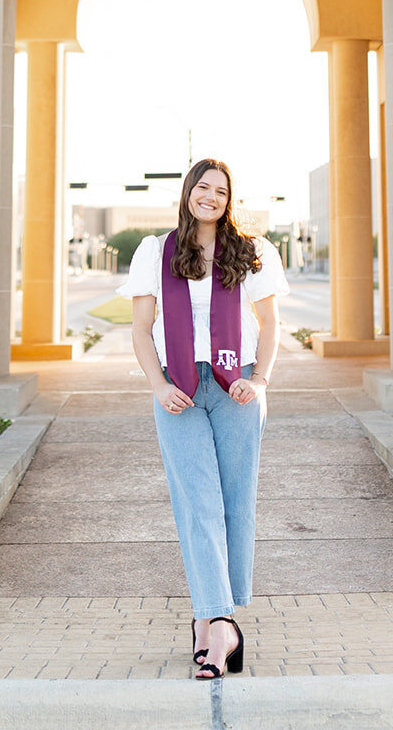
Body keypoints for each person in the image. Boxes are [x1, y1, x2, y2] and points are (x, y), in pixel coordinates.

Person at [119, 157, 289, 679]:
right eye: (203, 187)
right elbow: (142, 328)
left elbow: (269, 324)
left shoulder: (253, 252)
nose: (210, 196)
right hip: (179, 389)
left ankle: (207, 620)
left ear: (229, 200)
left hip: (235, 389)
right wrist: (159, 385)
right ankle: (223, 627)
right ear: (188, 191)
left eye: (221, 190)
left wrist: (258, 381)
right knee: (198, 502)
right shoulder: (156, 251)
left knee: (234, 502)